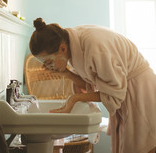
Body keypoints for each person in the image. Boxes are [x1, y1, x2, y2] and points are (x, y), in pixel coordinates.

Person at [29, 17, 156, 153]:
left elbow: (111, 94)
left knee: (145, 144)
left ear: (62, 48)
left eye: (48, 61)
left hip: (140, 91)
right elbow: (91, 83)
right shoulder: (72, 43)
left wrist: (75, 98)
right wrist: (65, 73)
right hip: (125, 89)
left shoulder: (95, 47)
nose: (48, 66)